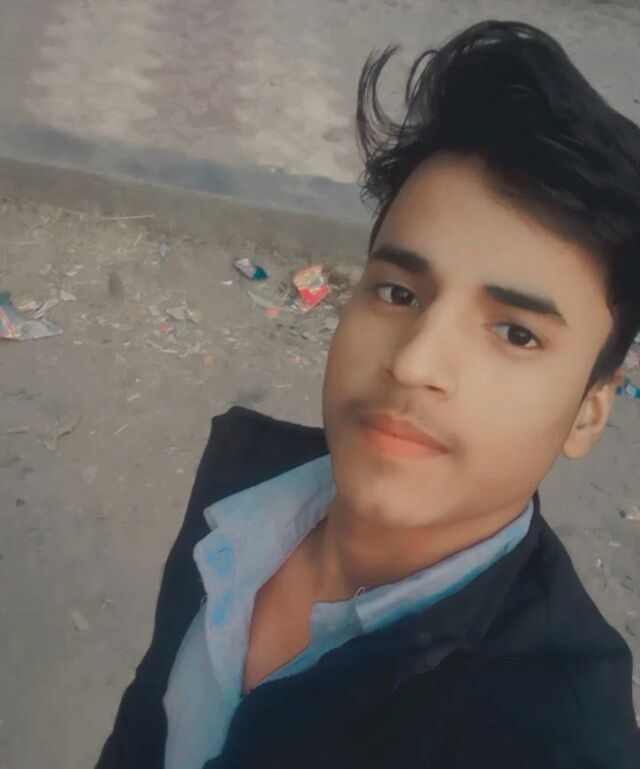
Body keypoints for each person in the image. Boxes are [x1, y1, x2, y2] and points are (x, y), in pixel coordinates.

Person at [96, 20, 640, 769]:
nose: (414, 363)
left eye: (515, 333)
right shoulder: (242, 491)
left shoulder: (557, 732)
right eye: (397, 292)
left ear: (589, 411)